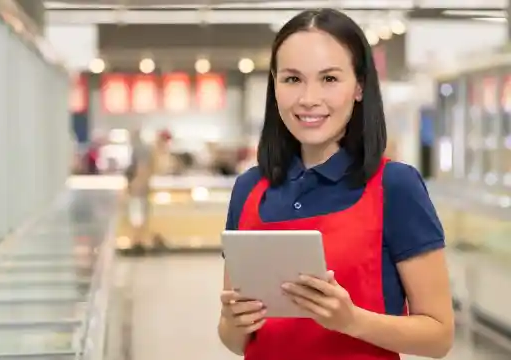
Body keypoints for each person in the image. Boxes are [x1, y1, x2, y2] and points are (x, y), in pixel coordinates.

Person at [218, 8, 453, 360]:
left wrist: (351, 320)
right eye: (292, 79)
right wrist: (234, 321)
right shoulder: (249, 189)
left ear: (359, 86)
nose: (309, 98)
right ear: (275, 86)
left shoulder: (395, 186)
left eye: (329, 79)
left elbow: (439, 336)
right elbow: (236, 342)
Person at [123, 129, 170, 256]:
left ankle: (138, 243)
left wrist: (135, 185)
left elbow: (142, 169)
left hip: (140, 189)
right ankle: (140, 242)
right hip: (143, 188)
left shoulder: (141, 150)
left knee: (137, 215)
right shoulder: (147, 150)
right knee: (140, 216)